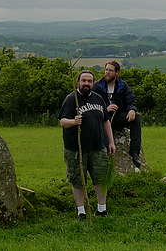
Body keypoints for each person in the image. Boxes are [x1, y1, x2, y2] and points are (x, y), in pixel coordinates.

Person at [57, 70, 116, 221]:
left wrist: (111, 141)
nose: (86, 84)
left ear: (92, 83)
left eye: (89, 81)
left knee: (100, 178)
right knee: (78, 180)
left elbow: (105, 121)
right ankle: (81, 211)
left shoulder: (98, 99)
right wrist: (73, 122)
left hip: (98, 147)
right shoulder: (71, 99)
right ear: (78, 82)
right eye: (83, 81)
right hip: (76, 150)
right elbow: (62, 122)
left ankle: (102, 209)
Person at [93, 60, 142, 168]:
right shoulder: (97, 86)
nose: (107, 72)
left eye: (110, 70)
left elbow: (131, 100)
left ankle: (135, 153)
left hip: (116, 119)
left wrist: (132, 110)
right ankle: (104, 159)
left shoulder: (122, 86)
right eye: (106, 70)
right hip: (102, 119)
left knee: (137, 117)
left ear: (117, 73)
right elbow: (92, 106)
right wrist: (106, 109)